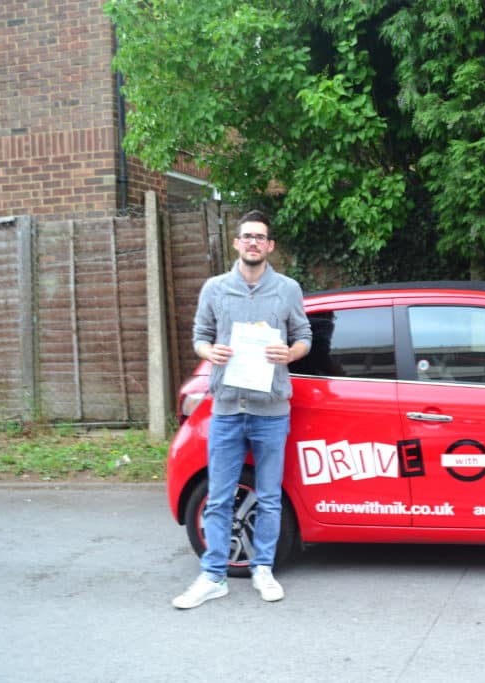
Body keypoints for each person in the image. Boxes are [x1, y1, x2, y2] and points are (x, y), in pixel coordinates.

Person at [172, 209, 312, 609]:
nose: (253, 242)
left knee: (269, 496)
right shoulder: (214, 289)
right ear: (236, 243)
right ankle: (213, 575)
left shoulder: (287, 289)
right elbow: (199, 336)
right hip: (228, 408)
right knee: (219, 496)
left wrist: (291, 351)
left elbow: (304, 336)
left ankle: (262, 569)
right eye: (246, 236)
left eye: (260, 237)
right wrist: (207, 351)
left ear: (269, 246)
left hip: (271, 409)